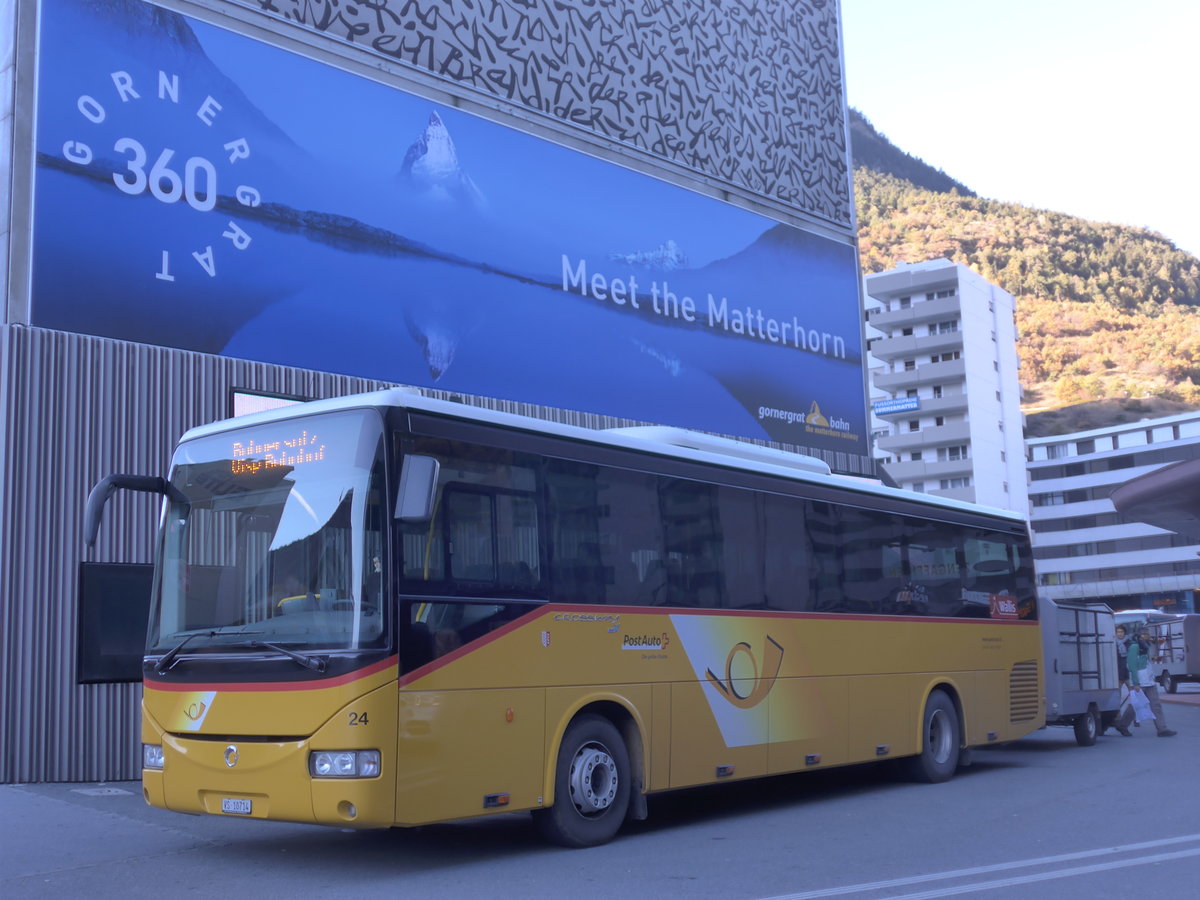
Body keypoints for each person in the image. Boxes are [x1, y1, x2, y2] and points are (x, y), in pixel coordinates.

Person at [1114, 627, 1176, 737]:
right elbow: (1132, 665)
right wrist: (1136, 683)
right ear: (1141, 635)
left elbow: (1147, 662)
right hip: (1139, 681)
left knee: (1156, 705)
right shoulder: (1134, 647)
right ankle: (1123, 725)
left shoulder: (1146, 647)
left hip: (1149, 680)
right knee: (1136, 705)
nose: (1148, 636)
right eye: (1146, 634)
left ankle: (1162, 729)